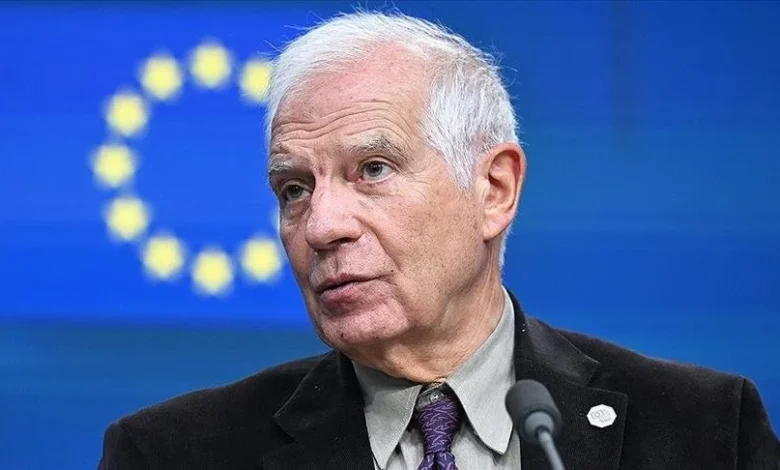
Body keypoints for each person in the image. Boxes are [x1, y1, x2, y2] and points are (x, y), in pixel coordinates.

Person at [98, 11, 780, 470]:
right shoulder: (170, 454)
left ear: (494, 190)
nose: (322, 226)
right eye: (294, 189)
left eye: (373, 170)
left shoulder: (706, 430)